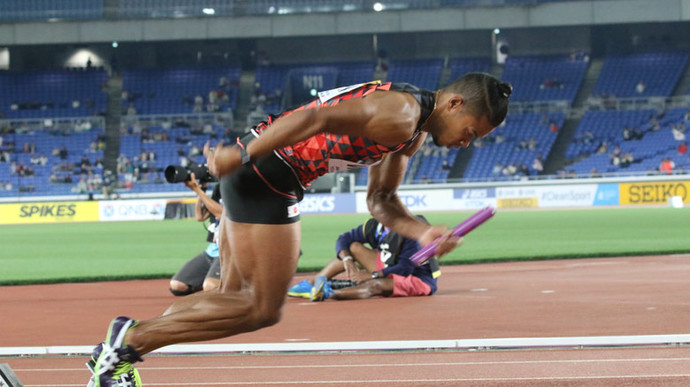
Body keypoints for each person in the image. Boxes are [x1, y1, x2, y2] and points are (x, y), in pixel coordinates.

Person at [87, 73, 511, 387]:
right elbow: (316, 117)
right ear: (454, 104)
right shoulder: (401, 113)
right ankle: (126, 345)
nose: (466, 143)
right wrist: (242, 153)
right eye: (471, 132)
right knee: (261, 308)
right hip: (269, 174)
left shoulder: (410, 132)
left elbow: (380, 201)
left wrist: (421, 234)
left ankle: (118, 352)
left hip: (263, 174)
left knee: (229, 299)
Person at [287, 215, 442, 301]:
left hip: (417, 278)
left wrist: (371, 275)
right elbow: (344, 239)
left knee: (376, 285)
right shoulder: (375, 225)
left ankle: (329, 292)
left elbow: (405, 268)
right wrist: (347, 260)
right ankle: (313, 283)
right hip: (390, 265)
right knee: (353, 247)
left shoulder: (410, 231)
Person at [169, 175, 223, 296]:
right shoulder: (219, 190)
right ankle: (210, 286)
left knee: (210, 286)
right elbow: (200, 217)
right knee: (177, 286)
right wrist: (201, 190)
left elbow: (222, 213)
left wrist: (197, 190)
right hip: (211, 251)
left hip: (227, 253)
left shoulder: (235, 190)